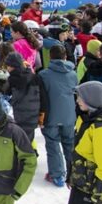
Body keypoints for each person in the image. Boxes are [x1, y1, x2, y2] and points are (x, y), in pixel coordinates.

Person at [38, 44, 77, 187]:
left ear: (50, 57)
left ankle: (57, 175)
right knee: (69, 143)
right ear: (65, 56)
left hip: (50, 115)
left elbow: (41, 96)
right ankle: (73, 173)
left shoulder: (44, 74)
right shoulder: (72, 73)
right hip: (69, 114)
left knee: (52, 143)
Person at [4, 52, 43, 143]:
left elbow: (6, 94)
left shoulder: (11, 80)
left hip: (19, 116)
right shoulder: (35, 77)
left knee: (19, 143)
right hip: (33, 115)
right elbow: (43, 97)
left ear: (12, 66)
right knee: (28, 141)